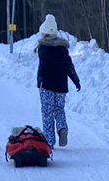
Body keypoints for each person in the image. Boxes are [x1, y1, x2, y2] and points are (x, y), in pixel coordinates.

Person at [35, 14, 81, 149]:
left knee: (47, 112)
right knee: (59, 110)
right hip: (61, 86)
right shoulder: (63, 49)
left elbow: (42, 57)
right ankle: (62, 129)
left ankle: (49, 141)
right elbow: (69, 67)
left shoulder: (42, 48)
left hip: (46, 86)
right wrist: (76, 80)